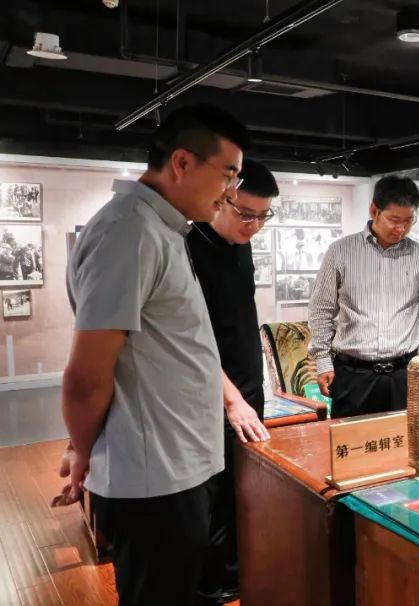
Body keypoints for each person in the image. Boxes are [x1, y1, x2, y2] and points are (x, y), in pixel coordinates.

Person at [53, 104, 251, 605]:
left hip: (176, 468)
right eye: (228, 174)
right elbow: (86, 375)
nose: (231, 191)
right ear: (182, 162)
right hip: (154, 480)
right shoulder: (129, 231)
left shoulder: (162, 229)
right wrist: (81, 449)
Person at [187, 157, 277, 604]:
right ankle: (211, 585)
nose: (254, 225)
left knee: (243, 490)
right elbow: (194, 338)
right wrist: (230, 399)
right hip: (213, 397)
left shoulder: (242, 246)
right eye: (245, 213)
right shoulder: (189, 248)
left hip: (248, 391)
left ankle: (238, 575)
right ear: (222, 198)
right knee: (214, 494)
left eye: (263, 216)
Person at [308, 175, 419, 418]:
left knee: (408, 440)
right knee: (352, 440)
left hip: (404, 374)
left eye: (409, 221)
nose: (401, 229)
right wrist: (323, 361)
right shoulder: (341, 251)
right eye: (394, 220)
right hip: (353, 375)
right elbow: (321, 311)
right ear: (374, 211)